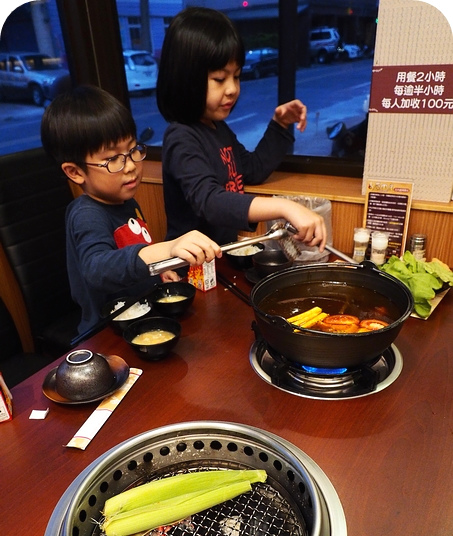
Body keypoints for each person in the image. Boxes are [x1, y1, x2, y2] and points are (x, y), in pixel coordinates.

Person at [41, 85, 221, 336]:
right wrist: (167, 249)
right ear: (75, 171)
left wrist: (161, 270)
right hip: (106, 333)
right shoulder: (86, 214)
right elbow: (97, 269)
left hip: (142, 317)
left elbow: (136, 256)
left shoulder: (127, 202)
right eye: (113, 159)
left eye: (133, 150)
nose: (130, 167)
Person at [156, 6, 327, 250]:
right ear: (185, 78)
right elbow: (211, 202)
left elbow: (252, 170)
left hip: (221, 257)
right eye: (219, 79)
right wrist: (285, 206)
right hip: (190, 267)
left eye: (236, 76)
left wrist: (280, 125)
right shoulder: (181, 136)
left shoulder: (218, 129)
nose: (233, 89)